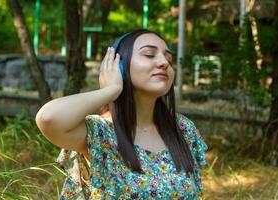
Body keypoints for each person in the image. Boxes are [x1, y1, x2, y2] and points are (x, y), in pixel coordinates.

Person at [35, 29, 208, 199]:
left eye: (169, 59)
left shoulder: (183, 128)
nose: (164, 62)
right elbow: (48, 118)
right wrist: (112, 90)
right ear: (119, 66)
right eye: (149, 54)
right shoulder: (101, 133)